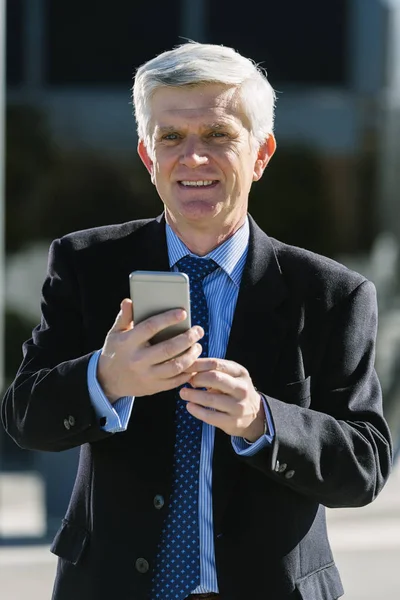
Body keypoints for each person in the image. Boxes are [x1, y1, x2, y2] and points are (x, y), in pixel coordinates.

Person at [1, 42, 393, 600]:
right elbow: (23, 417)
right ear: (146, 155)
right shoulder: (86, 266)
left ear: (261, 155)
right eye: (171, 138)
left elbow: (365, 465)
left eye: (218, 135)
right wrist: (105, 380)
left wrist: (264, 420)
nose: (194, 158)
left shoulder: (332, 295)